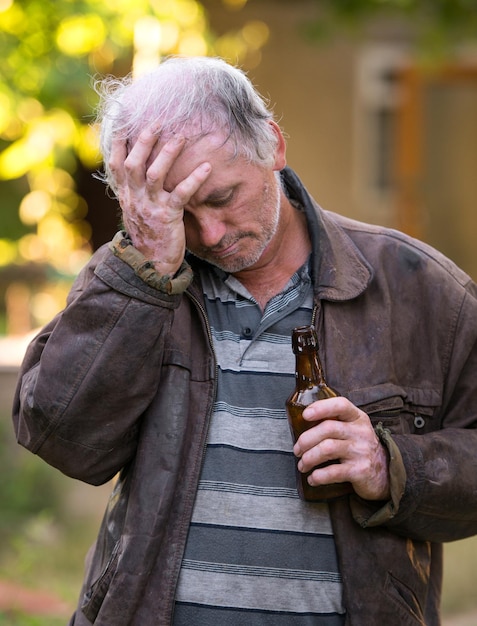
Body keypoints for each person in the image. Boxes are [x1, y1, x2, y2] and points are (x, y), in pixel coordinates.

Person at [12, 56, 477, 626]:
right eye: (179, 212)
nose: (209, 235)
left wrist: (393, 464)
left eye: (220, 197)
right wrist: (145, 278)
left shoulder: (418, 286)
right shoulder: (132, 280)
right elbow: (61, 438)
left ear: (273, 147)